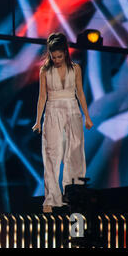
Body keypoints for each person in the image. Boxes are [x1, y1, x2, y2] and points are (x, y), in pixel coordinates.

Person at [32, 32, 93, 213]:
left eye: (59, 56)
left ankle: (72, 194)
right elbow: (42, 96)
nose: (57, 59)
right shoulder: (45, 70)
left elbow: (80, 92)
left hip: (73, 110)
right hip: (52, 110)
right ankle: (51, 198)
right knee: (52, 154)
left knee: (74, 152)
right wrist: (37, 120)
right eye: (53, 56)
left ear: (65, 53)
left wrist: (87, 116)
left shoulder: (76, 68)